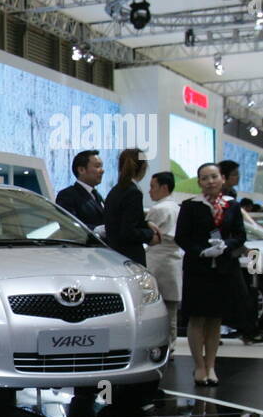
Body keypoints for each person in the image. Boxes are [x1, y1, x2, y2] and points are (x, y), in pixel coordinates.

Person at [176, 163, 246, 386]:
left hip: (223, 269)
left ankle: (211, 365)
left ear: (222, 179)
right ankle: (199, 366)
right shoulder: (190, 206)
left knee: (215, 319)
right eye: (205, 178)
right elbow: (182, 237)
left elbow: (240, 235)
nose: (210, 181)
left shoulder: (232, 206)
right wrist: (201, 251)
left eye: (214, 177)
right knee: (197, 318)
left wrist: (226, 244)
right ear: (199, 182)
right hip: (198, 270)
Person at [218, 162, 263, 344]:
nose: (238, 178)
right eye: (234, 174)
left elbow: (243, 227)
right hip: (230, 253)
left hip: (246, 251)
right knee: (239, 293)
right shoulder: (222, 200)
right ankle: (249, 331)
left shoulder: (231, 197)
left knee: (248, 290)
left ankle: (249, 330)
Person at [145, 171, 183, 350]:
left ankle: (162, 346)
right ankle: (172, 345)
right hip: (174, 260)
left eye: (153, 187)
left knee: (157, 308)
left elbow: (148, 236)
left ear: (164, 187)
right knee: (172, 311)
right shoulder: (177, 207)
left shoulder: (159, 209)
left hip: (158, 260)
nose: (149, 191)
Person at [104, 148, 159, 263]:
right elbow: (128, 231)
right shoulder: (133, 192)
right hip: (129, 257)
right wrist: (149, 235)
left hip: (114, 254)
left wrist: (146, 223)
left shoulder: (115, 190)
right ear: (143, 167)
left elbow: (121, 221)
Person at [55, 150, 107, 236]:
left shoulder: (98, 196)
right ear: (81, 170)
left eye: (102, 166)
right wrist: (96, 230)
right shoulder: (67, 195)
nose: (102, 171)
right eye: (97, 166)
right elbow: (68, 225)